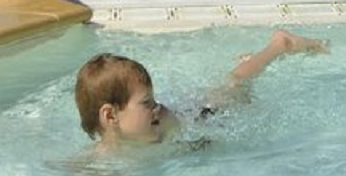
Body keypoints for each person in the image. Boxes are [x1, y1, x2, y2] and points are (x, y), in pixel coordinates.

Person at [75, 30, 328, 147]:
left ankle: (279, 44)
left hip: (201, 115)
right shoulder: (100, 159)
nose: (156, 107)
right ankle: (251, 60)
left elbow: (202, 139)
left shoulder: (161, 124)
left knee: (235, 85)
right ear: (110, 116)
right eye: (146, 103)